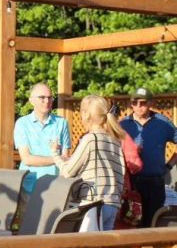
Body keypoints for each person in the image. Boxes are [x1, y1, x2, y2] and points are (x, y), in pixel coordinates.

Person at [49, 95, 125, 231]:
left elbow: (67, 172)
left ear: (86, 114)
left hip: (94, 205)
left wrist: (55, 154)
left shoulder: (90, 139)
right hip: (113, 204)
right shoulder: (115, 141)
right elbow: (120, 175)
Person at [120, 88, 177, 228]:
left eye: (143, 102)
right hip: (131, 184)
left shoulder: (163, 122)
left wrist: (169, 165)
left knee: (153, 224)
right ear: (131, 104)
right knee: (131, 225)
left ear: (151, 103)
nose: (138, 106)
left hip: (155, 182)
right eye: (135, 102)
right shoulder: (123, 125)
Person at [14, 83, 71, 195]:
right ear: (31, 100)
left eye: (50, 97)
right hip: (29, 187)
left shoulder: (61, 123)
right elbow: (27, 159)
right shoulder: (22, 123)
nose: (47, 101)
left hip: (55, 187)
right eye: (42, 97)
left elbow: (66, 158)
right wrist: (56, 158)